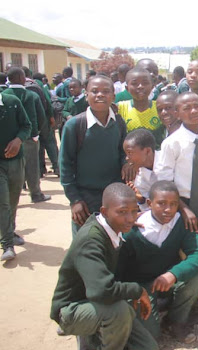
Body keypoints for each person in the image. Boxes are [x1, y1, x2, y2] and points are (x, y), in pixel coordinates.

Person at [50, 183, 159, 350]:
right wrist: (137, 291)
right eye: (122, 212)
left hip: (101, 304)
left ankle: (93, 338)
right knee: (119, 311)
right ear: (105, 211)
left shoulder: (115, 231)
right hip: (73, 309)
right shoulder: (91, 239)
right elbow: (101, 290)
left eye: (134, 211)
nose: (130, 218)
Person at [155, 92, 198, 310]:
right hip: (184, 204)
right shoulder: (171, 143)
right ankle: (189, 300)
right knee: (192, 251)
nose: (193, 111)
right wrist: (183, 208)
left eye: (197, 106)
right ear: (177, 113)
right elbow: (164, 181)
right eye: (186, 108)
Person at [117, 181, 198, 341]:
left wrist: (173, 274)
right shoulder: (132, 230)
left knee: (196, 278)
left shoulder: (181, 223)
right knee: (151, 337)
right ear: (149, 203)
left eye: (173, 204)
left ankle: (176, 321)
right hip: (140, 288)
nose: (168, 209)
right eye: (162, 203)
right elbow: (118, 270)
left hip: (166, 281)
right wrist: (134, 292)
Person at [59, 75, 127, 235]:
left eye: (106, 91)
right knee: (86, 242)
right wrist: (75, 200)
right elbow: (65, 165)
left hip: (114, 196)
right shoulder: (74, 125)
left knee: (115, 240)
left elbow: (122, 152)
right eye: (95, 91)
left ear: (113, 96)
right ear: (86, 94)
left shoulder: (118, 123)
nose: (100, 95)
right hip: (85, 198)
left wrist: (126, 162)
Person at [3, 67, 50, 204]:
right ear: (21, 78)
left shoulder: (3, 95)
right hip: (29, 137)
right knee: (32, 166)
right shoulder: (30, 95)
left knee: (12, 166)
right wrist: (36, 134)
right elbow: (39, 117)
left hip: (8, 140)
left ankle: (11, 196)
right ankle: (35, 194)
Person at [0, 90, 31, 261]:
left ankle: (9, 231)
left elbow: (26, 126)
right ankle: (7, 244)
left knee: (13, 199)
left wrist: (18, 140)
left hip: (16, 161)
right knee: (2, 202)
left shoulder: (12, 102)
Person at [117, 68, 162, 144]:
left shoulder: (159, 107)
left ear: (152, 86)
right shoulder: (120, 108)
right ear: (127, 88)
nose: (140, 86)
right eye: (134, 84)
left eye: (145, 83)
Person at [123, 129, 157, 212]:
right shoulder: (140, 180)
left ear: (147, 151)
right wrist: (141, 199)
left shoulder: (168, 162)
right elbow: (147, 210)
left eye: (130, 153)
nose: (126, 158)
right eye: (126, 154)